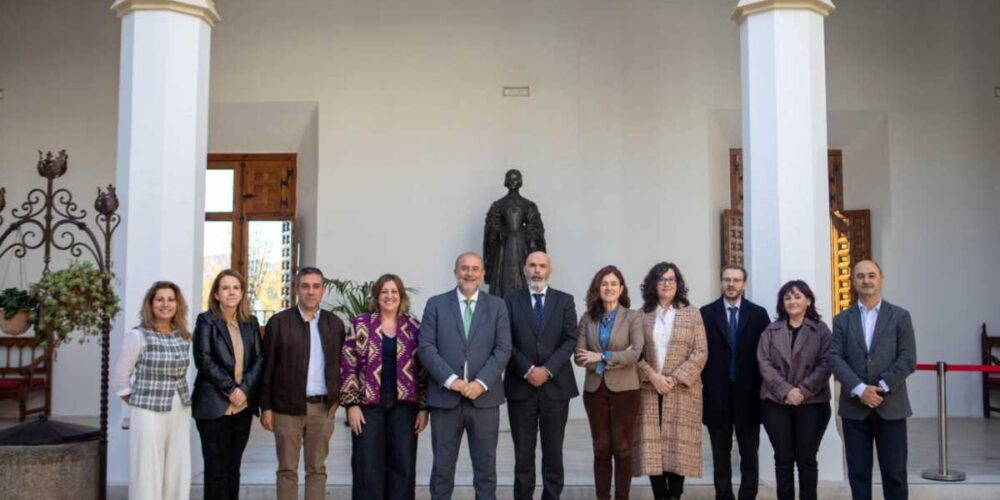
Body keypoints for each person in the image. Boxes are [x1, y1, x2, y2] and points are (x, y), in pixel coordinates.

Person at [417, 252, 512, 500]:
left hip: (484, 400)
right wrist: (452, 381)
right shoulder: (436, 304)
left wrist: (480, 383)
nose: (469, 273)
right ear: (455, 272)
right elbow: (426, 347)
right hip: (445, 400)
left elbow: (503, 349)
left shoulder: (497, 306)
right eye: (464, 268)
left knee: (486, 471)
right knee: (442, 470)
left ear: (482, 274)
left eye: (475, 269)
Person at [830, 260, 916, 500]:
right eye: (860, 276)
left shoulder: (900, 316)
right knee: (858, 474)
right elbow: (835, 357)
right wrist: (860, 389)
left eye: (871, 275)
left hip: (892, 405)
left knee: (895, 473)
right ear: (853, 281)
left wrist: (880, 387)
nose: (866, 280)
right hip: (854, 408)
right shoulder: (842, 319)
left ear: (881, 278)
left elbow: (908, 358)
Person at [259, 266, 346, 500]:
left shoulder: (334, 324)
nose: (311, 291)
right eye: (305, 286)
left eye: (316, 286)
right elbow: (267, 368)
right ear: (296, 289)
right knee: (287, 470)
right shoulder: (279, 322)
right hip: (286, 409)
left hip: (322, 409)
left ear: (323, 290)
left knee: (316, 469)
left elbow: (342, 365)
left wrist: (337, 397)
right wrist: (266, 406)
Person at [341, 273, 429, 500]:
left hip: (405, 407)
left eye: (394, 291)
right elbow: (348, 365)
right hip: (368, 407)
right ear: (376, 296)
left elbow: (423, 369)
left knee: (403, 466)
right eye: (384, 292)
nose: (389, 296)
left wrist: (423, 407)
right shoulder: (360, 324)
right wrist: (351, 404)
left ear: (402, 296)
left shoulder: (413, 327)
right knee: (367, 466)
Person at [503, 251, 578, 500]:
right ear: (524, 269)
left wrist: (546, 370)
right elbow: (505, 341)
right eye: (532, 265)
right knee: (523, 454)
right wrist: (528, 370)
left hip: (556, 388)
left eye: (542, 266)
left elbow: (570, 340)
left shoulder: (564, 301)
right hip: (520, 388)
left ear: (550, 271)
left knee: (553, 452)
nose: (537, 270)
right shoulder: (509, 302)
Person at [112, 281, 192, 500]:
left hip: (179, 407)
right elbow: (120, 380)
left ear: (178, 305)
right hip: (147, 410)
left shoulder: (183, 336)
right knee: (147, 466)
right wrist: (139, 404)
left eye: (171, 300)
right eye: (160, 299)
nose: (165, 304)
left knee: (177, 464)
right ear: (150, 303)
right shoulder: (137, 336)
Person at [633, 263, 707, 500]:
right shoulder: (640, 314)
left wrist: (673, 379)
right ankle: (660, 496)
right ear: (653, 284)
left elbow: (700, 351)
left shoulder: (692, 313)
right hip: (649, 388)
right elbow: (634, 352)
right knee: (653, 448)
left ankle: (675, 495)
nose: (666, 284)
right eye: (661, 279)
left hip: (682, 389)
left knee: (678, 446)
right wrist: (653, 376)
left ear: (678, 284)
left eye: (671, 279)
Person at [700, 265, 770, 500]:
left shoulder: (758, 314)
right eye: (727, 279)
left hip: (749, 394)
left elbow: (766, 353)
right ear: (721, 282)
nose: (731, 284)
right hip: (716, 393)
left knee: (749, 452)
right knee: (720, 453)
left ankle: (748, 495)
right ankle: (723, 495)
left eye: (736, 280)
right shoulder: (706, 313)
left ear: (744, 284)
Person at [757, 280, 832, 500]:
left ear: (808, 301)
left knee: (807, 459)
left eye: (798, 297)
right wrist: (786, 390)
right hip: (776, 403)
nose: (792, 301)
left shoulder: (820, 330)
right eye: (787, 298)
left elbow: (826, 363)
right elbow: (764, 362)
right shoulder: (771, 330)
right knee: (783, 459)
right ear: (782, 303)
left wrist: (803, 391)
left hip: (813, 403)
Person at [574, 265, 644, 500]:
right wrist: (615, 357)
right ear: (597, 288)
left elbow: (635, 354)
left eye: (614, 284)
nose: (609, 288)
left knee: (622, 448)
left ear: (621, 288)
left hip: (626, 391)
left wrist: (601, 357)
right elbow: (579, 357)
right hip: (595, 391)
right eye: (604, 284)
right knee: (601, 448)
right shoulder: (587, 318)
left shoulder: (633, 317)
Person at [192, 269, 263, 500]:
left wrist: (244, 390)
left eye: (236, 288)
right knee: (216, 470)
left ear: (242, 293)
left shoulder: (250, 323)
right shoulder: (206, 320)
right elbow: (203, 359)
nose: (231, 292)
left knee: (233, 467)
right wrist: (231, 389)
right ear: (216, 294)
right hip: (213, 406)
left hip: (242, 407)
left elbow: (259, 359)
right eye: (225, 288)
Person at [483, 169, 546, 298]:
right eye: (511, 179)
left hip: (520, 248)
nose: (513, 182)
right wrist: (501, 232)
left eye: (515, 179)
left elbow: (535, 229)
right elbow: (492, 228)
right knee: (502, 288)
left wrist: (527, 237)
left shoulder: (526, 205)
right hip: (504, 249)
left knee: (524, 280)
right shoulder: (499, 205)